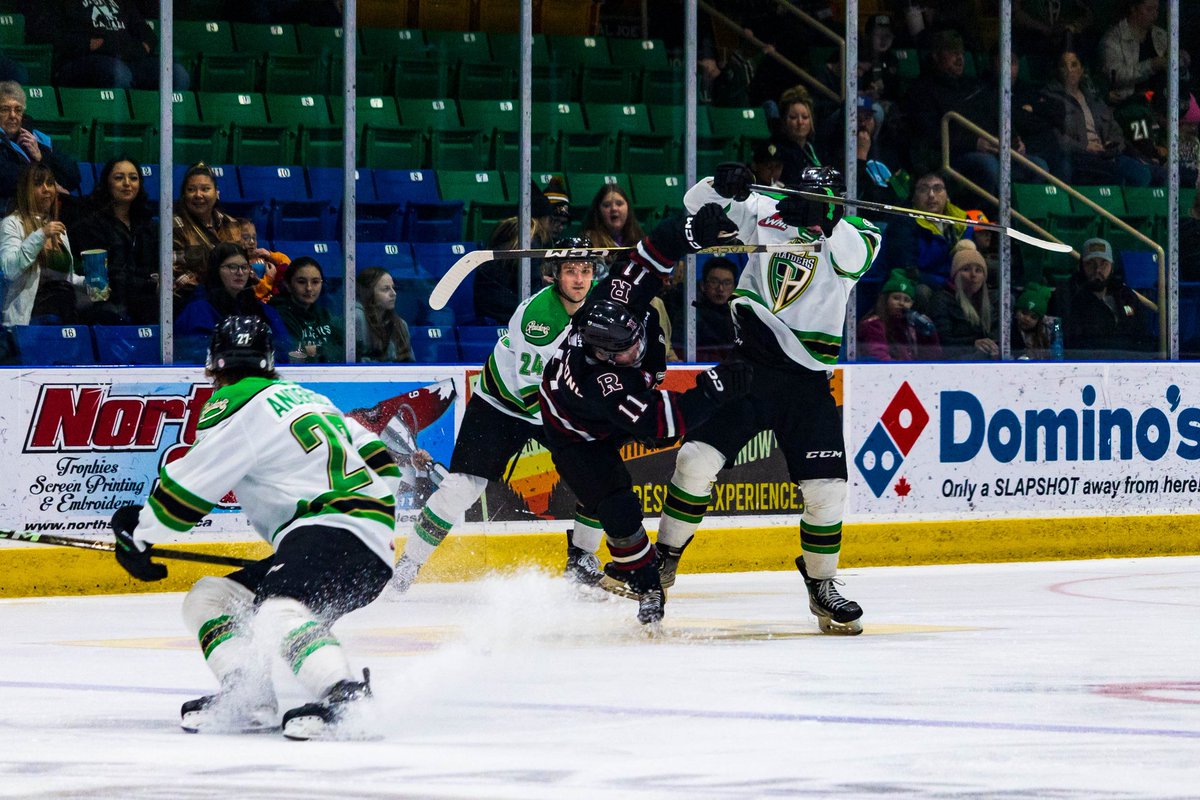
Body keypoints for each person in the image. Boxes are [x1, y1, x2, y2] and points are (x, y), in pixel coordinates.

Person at [109, 315, 397, 740]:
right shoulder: (310, 399)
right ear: (270, 361)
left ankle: (347, 697)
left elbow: (183, 498)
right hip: (356, 540)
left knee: (279, 610)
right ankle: (249, 697)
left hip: (333, 532)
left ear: (213, 368)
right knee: (211, 598)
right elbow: (384, 465)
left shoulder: (237, 405)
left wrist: (140, 530)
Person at [649, 163, 882, 636]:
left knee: (827, 491)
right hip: (751, 367)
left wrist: (826, 221)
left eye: (822, 196)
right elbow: (696, 206)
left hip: (808, 383)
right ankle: (663, 561)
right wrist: (722, 183)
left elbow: (853, 256)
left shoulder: (859, 230)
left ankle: (822, 585)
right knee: (694, 459)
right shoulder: (767, 210)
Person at [539, 205, 755, 626]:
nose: (634, 352)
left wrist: (692, 228)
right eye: (624, 353)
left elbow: (652, 252)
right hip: (575, 435)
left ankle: (624, 564)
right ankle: (645, 584)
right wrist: (714, 389)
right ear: (603, 354)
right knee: (619, 508)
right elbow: (661, 424)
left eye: (635, 342)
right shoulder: (603, 381)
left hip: (611, 406)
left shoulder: (615, 299)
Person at [391, 241, 605, 594]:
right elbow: (528, 390)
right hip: (503, 403)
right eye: (571, 270)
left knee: (598, 475)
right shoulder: (537, 318)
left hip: (557, 401)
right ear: (553, 274)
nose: (579, 279)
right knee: (461, 487)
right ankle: (409, 564)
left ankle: (581, 560)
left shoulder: (600, 302)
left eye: (585, 270)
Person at [1040, 50, 1150, 187]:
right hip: (1079, 155)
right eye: (1064, 66)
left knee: (1143, 174)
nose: (1069, 70)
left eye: (1074, 65)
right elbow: (1055, 137)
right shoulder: (1051, 97)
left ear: (1081, 70)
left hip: (1106, 154)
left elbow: (1115, 130)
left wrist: (1112, 145)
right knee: (1116, 174)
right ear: (1058, 70)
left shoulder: (1095, 99)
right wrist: (1085, 147)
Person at [70, 156, 158, 324]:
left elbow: (154, 266)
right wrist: (149, 284)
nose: (127, 183)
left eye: (133, 178)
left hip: (142, 298)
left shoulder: (148, 225)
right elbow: (101, 280)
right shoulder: (90, 224)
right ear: (107, 183)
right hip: (105, 302)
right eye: (119, 178)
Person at [175, 242, 291, 363]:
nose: (240, 272)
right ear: (216, 269)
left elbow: (283, 349)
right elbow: (195, 355)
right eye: (232, 267)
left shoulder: (263, 310)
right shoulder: (197, 310)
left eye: (244, 267)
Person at [40, 0, 190, 90]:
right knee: (119, 74)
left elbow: (146, 33)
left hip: (128, 57)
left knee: (177, 75)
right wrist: (91, 44)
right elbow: (53, 35)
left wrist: (143, 47)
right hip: (85, 60)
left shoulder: (121, 2)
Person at [0, 162, 79, 326]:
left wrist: (92, 282)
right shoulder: (12, 224)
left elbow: (68, 279)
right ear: (25, 190)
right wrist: (41, 235)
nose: (46, 189)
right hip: (31, 314)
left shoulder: (55, 226)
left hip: (59, 304)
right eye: (38, 184)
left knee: (104, 311)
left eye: (50, 183)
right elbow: (9, 271)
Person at [878, 171, 968, 307]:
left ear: (947, 195)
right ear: (913, 197)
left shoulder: (962, 221)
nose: (931, 195)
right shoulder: (903, 223)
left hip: (954, 283)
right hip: (921, 284)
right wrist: (944, 284)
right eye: (923, 190)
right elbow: (907, 270)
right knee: (922, 292)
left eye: (937, 189)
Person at [473, 184, 557, 324]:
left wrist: (541, 281)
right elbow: (531, 294)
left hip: (489, 311)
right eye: (550, 220)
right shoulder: (531, 245)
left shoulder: (511, 238)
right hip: (505, 315)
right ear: (544, 219)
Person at [1063, 237, 1154, 357]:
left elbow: (1142, 335)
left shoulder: (1126, 296)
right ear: (1080, 266)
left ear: (1112, 267)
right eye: (1091, 264)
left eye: (1104, 264)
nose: (1097, 270)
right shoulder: (1068, 297)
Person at [0, 81, 82, 200]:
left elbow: (73, 177)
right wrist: (52, 185)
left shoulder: (39, 138)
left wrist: (42, 156)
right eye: (5, 109)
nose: (12, 115)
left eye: (18, 110)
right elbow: (7, 179)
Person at [1099, 0, 1189, 105]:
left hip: (1164, 100)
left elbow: (1180, 76)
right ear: (1133, 9)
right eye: (1149, 9)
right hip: (1131, 103)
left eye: (1157, 10)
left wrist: (1181, 64)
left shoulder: (1161, 35)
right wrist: (1152, 65)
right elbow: (1115, 75)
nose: (1155, 14)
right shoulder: (1113, 38)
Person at [172, 163, 237, 304]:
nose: (198, 195)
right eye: (191, 190)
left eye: (205, 189)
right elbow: (175, 275)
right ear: (184, 196)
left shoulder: (231, 223)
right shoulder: (173, 226)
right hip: (193, 300)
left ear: (216, 193)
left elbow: (243, 262)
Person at [929, 239, 1000, 360]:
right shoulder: (941, 299)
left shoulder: (993, 301)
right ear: (955, 274)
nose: (973, 275)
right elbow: (943, 343)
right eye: (966, 269)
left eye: (978, 270)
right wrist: (973, 344)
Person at [857, 268, 942, 361]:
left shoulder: (911, 327)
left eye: (907, 300)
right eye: (896, 298)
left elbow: (933, 358)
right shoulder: (873, 325)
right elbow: (880, 358)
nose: (901, 303)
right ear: (885, 300)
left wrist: (929, 335)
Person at [270, 257, 343, 364]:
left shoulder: (324, 314)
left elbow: (351, 349)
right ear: (288, 285)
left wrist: (315, 350)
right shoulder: (278, 315)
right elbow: (293, 355)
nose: (309, 288)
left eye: (315, 282)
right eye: (301, 282)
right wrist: (326, 350)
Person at [581, 182, 645, 276]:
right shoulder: (589, 241)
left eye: (619, 204)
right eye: (607, 205)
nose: (614, 209)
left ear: (628, 208)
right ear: (598, 211)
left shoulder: (639, 239)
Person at [355, 266, 415, 363]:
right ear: (368, 292)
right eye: (386, 289)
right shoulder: (356, 319)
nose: (393, 293)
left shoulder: (401, 324)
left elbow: (410, 362)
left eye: (393, 288)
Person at [770, 87, 825, 186]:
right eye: (793, 117)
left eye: (805, 117)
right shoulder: (779, 152)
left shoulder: (813, 148)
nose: (800, 122)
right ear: (784, 121)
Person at [694, 256, 738, 361]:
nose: (720, 289)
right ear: (703, 285)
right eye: (714, 282)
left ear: (734, 287)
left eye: (727, 283)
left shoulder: (741, 315)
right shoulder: (691, 313)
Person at [235, 218, 290, 301]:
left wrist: (270, 255)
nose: (252, 242)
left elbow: (288, 266)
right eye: (246, 238)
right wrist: (269, 279)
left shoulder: (264, 258)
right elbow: (253, 294)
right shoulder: (238, 267)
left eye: (254, 237)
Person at [1012, 282, 1057, 359]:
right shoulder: (1008, 331)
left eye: (1033, 317)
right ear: (1016, 312)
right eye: (1024, 313)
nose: (1027, 319)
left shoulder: (1046, 334)